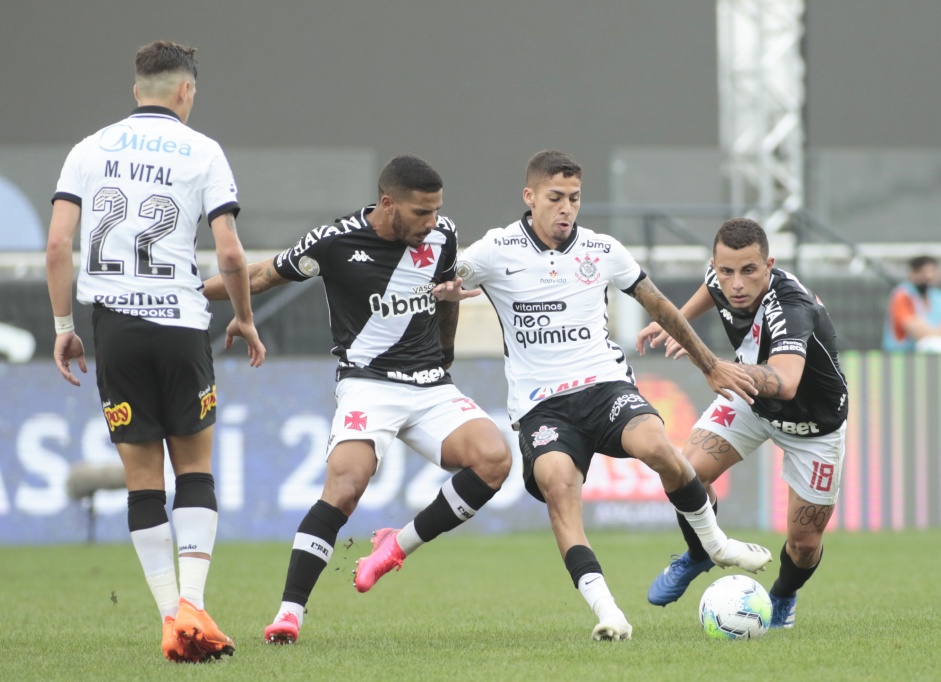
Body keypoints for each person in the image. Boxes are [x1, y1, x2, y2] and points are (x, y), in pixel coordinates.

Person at [452, 150, 772, 642]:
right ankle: (609, 613)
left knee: (658, 448)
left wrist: (710, 364)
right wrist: (449, 286)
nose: (566, 208)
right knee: (559, 485)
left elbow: (659, 305)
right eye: (555, 197)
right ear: (529, 196)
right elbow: (449, 274)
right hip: (542, 406)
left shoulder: (602, 250)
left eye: (574, 198)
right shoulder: (497, 248)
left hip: (604, 386)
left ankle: (716, 544)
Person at [202, 154, 512, 645]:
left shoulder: (442, 235)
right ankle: (289, 613)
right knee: (346, 486)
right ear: (388, 203)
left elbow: (443, 292)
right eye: (420, 213)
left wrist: (446, 353)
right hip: (368, 383)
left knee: (495, 460)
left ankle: (395, 546)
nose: (431, 223)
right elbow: (259, 275)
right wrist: (193, 292)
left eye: (436, 211)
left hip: (430, 383)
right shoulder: (334, 242)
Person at [45, 40, 266, 663]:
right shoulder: (204, 151)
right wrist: (244, 318)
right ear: (186, 91)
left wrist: (65, 323)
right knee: (194, 472)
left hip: (114, 328)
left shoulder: (88, 150)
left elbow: (59, 246)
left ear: (136, 88)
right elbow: (228, 254)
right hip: (180, 327)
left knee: (143, 484)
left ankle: (172, 619)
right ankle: (192, 605)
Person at [637, 217, 849, 629]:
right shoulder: (722, 277)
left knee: (804, 544)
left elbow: (786, 383)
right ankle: (700, 552)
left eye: (749, 270)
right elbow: (709, 289)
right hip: (750, 400)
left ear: (768, 265)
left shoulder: (790, 307)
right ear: (715, 264)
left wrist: (710, 362)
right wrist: (676, 324)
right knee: (685, 472)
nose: (736, 283)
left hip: (813, 425)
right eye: (726, 270)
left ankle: (784, 596)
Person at [883, 255, 941, 353]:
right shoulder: (903, 295)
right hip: (902, 356)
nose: (928, 277)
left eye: (932, 272)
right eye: (924, 273)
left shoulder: (936, 296)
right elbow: (917, 331)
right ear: (913, 273)